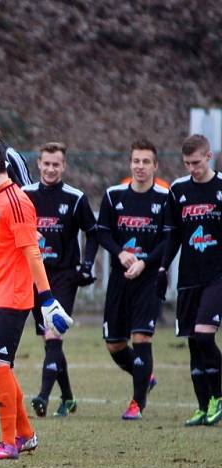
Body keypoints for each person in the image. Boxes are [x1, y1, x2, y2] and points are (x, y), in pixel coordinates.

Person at [0, 139, 73, 461]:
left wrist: (46, 298)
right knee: (1, 367)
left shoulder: (16, 200)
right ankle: (25, 435)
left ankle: (9, 441)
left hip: (12, 297)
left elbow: (31, 251)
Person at [24, 142, 99, 418]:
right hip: (34, 275)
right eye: (47, 163)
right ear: (39, 164)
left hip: (64, 276)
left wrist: (87, 266)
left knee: (53, 334)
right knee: (49, 339)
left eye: (56, 164)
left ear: (64, 166)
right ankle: (67, 398)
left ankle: (43, 396)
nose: (51, 169)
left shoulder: (75, 198)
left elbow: (93, 233)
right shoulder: (25, 195)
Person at [98, 139, 168, 420]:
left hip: (149, 279)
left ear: (155, 166)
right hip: (119, 278)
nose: (140, 166)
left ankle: (137, 403)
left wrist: (145, 262)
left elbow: (168, 239)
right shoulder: (114, 196)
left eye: (146, 162)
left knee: (141, 337)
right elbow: (103, 232)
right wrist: (120, 253)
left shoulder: (165, 199)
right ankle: (144, 375)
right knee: (114, 343)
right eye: (136, 161)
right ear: (130, 163)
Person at [159, 134, 222, 426]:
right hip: (188, 277)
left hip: (216, 276)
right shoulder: (178, 190)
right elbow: (173, 235)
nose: (192, 168)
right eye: (187, 163)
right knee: (194, 342)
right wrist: (162, 269)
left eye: (196, 162)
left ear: (209, 157)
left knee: (205, 333)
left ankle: (218, 396)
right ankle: (202, 405)